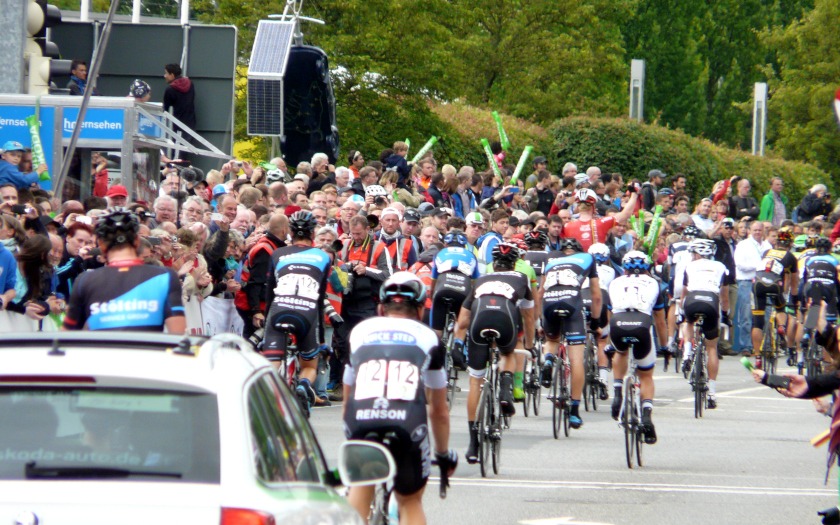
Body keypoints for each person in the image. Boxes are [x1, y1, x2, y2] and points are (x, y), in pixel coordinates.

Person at [343, 272, 456, 525]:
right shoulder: (430, 338)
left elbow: (347, 398)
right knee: (410, 501)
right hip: (407, 424)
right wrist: (443, 454)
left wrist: (353, 438)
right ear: (420, 310)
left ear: (381, 308)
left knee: (361, 486)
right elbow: (439, 411)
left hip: (361, 419)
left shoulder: (359, 331)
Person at [457, 242, 535, 462]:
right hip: (505, 320)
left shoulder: (481, 280)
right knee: (508, 353)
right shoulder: (522, 278)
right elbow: (529, 316)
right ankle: (506, 388)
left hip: (479, 322)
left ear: (493, 263)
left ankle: (473, 444)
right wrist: (529, 345)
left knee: (475, 381)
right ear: (515, 263)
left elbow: (462, 321)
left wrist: (458, 343)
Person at [63, 208, 186, 333]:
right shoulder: (165, 277)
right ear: (137, 242)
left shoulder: (85, 280)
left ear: (101, 245)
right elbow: (178, 334)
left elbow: (66, 335)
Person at [263, 211, 331, 414]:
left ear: (290, 233)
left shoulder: (277, 254)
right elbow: (320, 299)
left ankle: (265, 399)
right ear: (313, 233)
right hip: (307, 312)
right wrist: (320, 340)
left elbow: (269, 294)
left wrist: (266, 325)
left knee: (272, 364)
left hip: (278, 309)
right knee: (309, 365)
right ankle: (303, 385)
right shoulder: (323, 256)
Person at [539, 237, 600, 430]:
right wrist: (596, 320)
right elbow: (596, 295)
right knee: (576, 360)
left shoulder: (551, 261)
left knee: (552, 339)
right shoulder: (587, 258)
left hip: (549, 301)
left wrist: (540, 320)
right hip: (571, 301)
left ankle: (548, 360)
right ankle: (574, 411)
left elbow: (540, 292)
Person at [608, 251, 668, 444]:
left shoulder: (615, 282)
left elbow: (610, 314)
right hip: (642, 325)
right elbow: (660, 321)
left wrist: (609, 342)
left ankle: (618, 391)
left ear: (624, 268)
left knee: (620, 351)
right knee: (646, 375)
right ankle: (647, 415)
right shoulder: (654, 283)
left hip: (618, 324)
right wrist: (665, 346)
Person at [679, 239, 730, 408]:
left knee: (688, 322)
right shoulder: (721, 267)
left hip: (693, 299)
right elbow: (724, 297)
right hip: (711, 301)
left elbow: (684, 293)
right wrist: (725, 314)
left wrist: (680, 312)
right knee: (712, 348)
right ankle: (712, 393)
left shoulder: (690, 266)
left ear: (697, 254)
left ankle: (687, 352)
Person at [430, 229, 480, 370]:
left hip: (442, 288)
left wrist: (432, 295)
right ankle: (458, 346)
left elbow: (433, 279)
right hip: (463, 290)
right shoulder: (471, 255)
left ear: (446, 243)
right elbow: (475, 282)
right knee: (461, 321)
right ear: (464, 245)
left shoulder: (440, 253)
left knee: (437, 329)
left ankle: (434, 352)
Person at [561, 188, 639, 252]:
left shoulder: (567, 226)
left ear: (578, 207)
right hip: (596, 263)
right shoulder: (602, 222)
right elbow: (626, 214)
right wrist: (634, 194)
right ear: (593, 207)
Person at [163, 63, 197, 140]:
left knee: (177, 147)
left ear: (172, 75)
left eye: (166, 73)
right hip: (191, 123)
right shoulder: (190, 84)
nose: (165, 76)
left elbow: (165, 110)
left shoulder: (170, 90)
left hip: (177, 126)